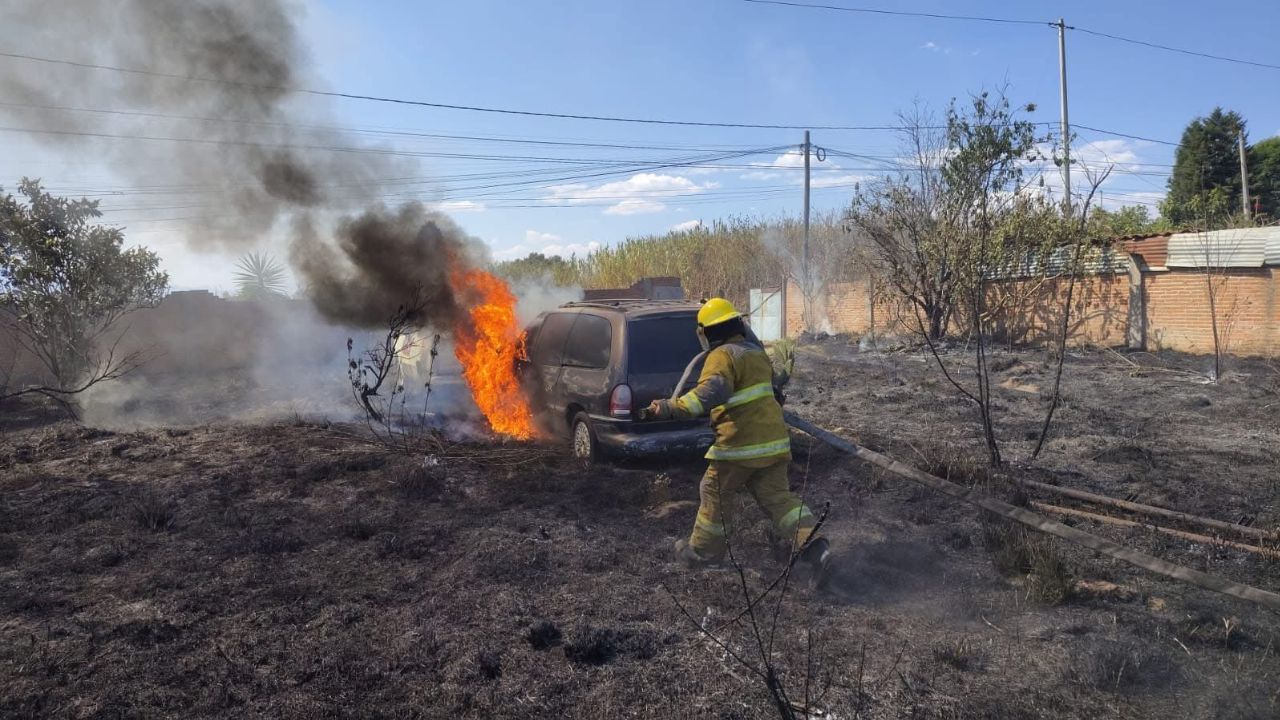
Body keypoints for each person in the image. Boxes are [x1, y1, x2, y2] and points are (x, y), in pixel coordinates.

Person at [644, 297, 831, 582]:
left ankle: (704, 555)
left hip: (740, 445)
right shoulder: (755, 354)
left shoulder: (721, 356)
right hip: (775, 444)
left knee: (714, 491)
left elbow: (711, 393)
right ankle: (816, 546)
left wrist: (672, 408)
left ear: (707, 332)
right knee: (779, 499)